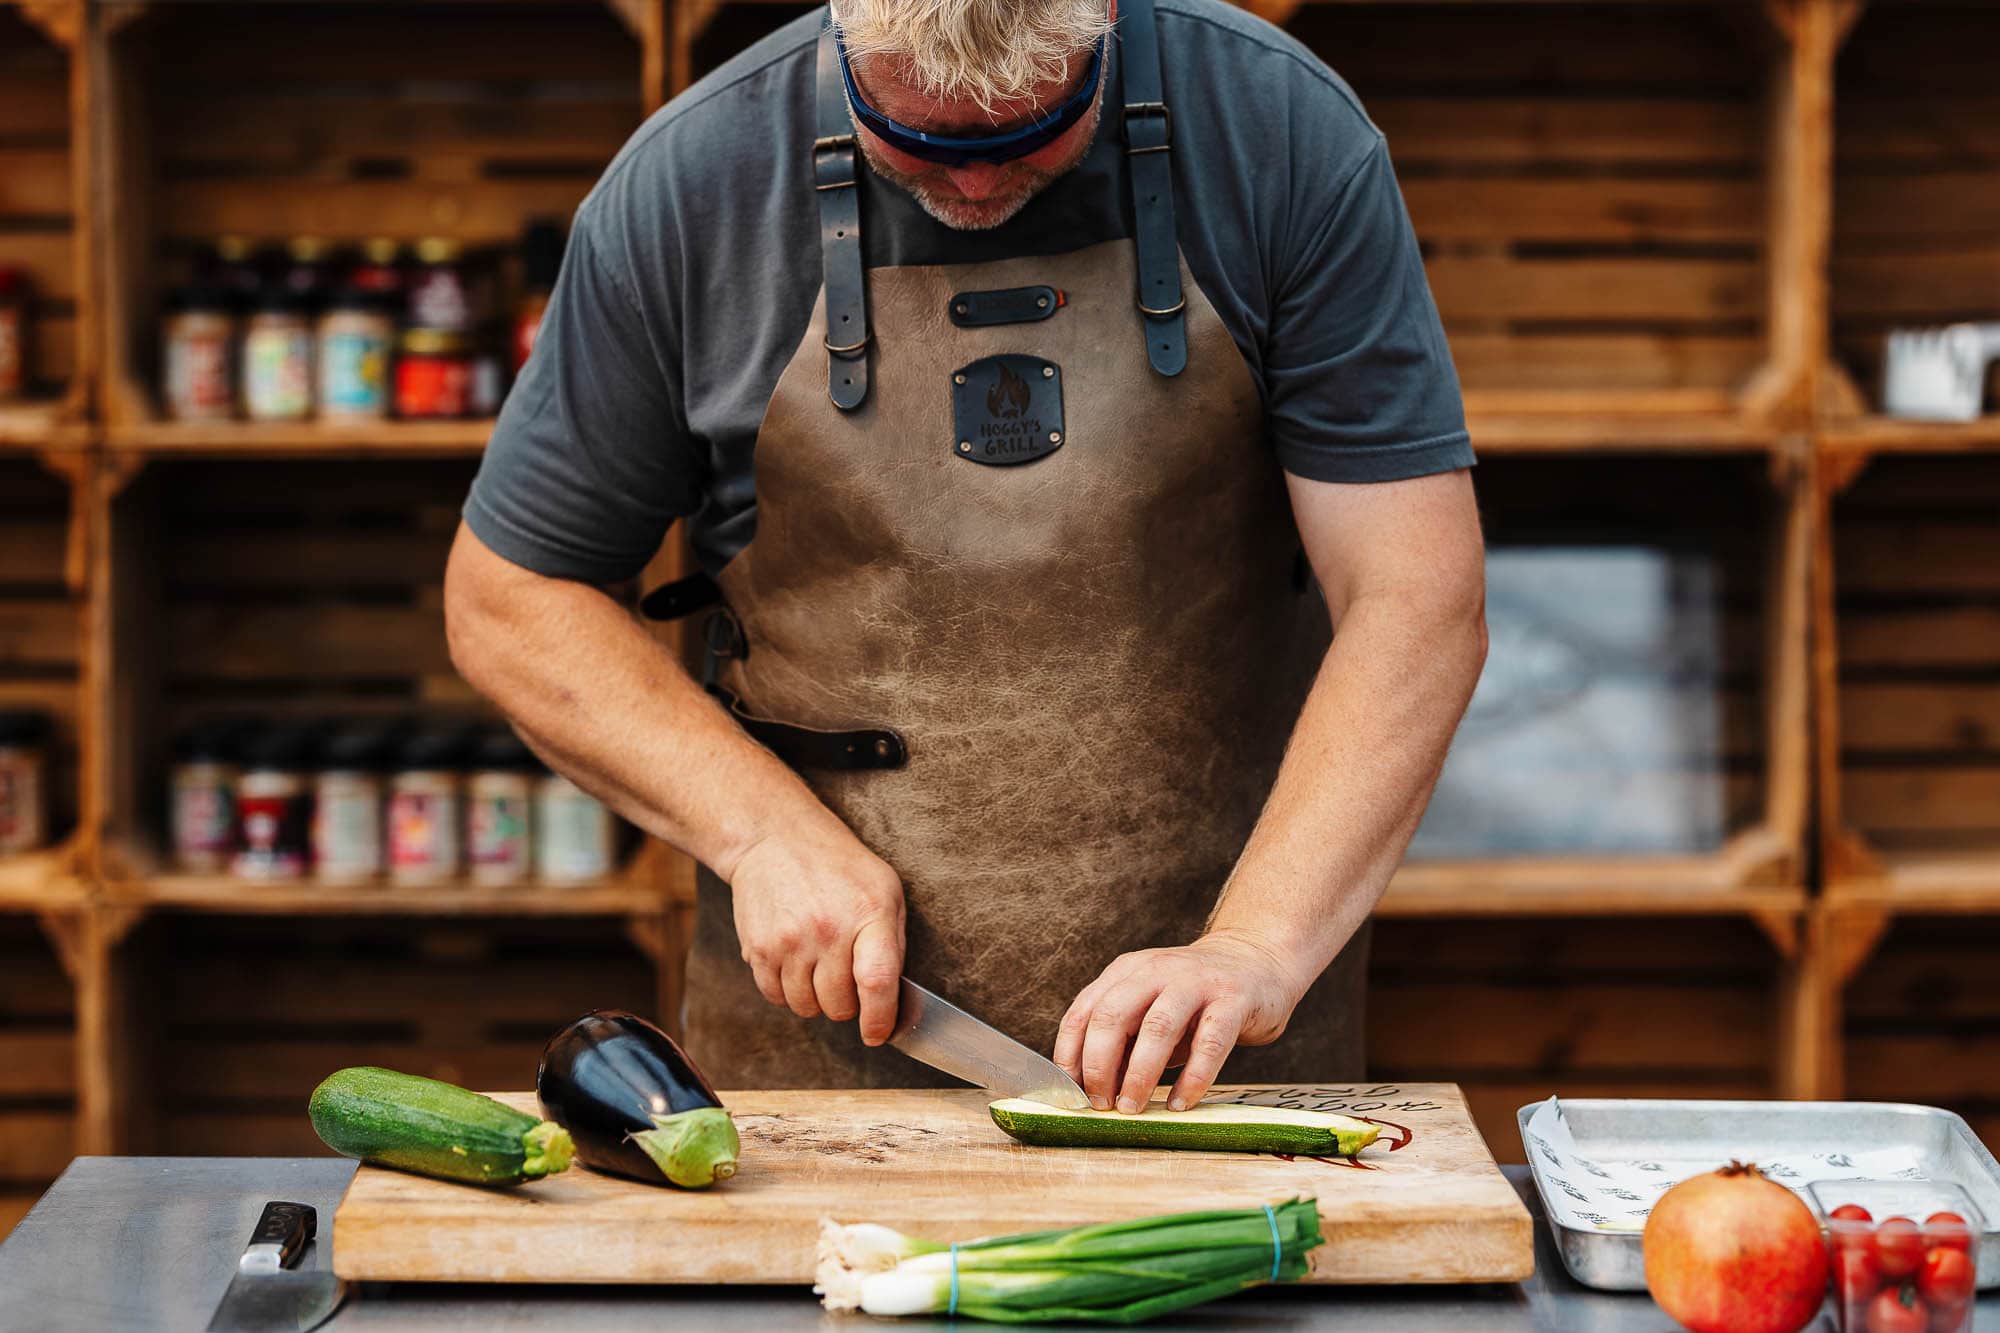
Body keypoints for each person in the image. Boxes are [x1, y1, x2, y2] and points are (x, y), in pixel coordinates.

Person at [444, 0, 1486, 1114]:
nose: (979, 188)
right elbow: (512, 594)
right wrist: (754, 828)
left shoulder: (1282, 132)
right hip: (826, 1058)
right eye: (927, 144)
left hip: (1218, 1056)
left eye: (1031, 131)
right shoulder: (688, 184)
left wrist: (1255, 944)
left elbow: (1413, 594)